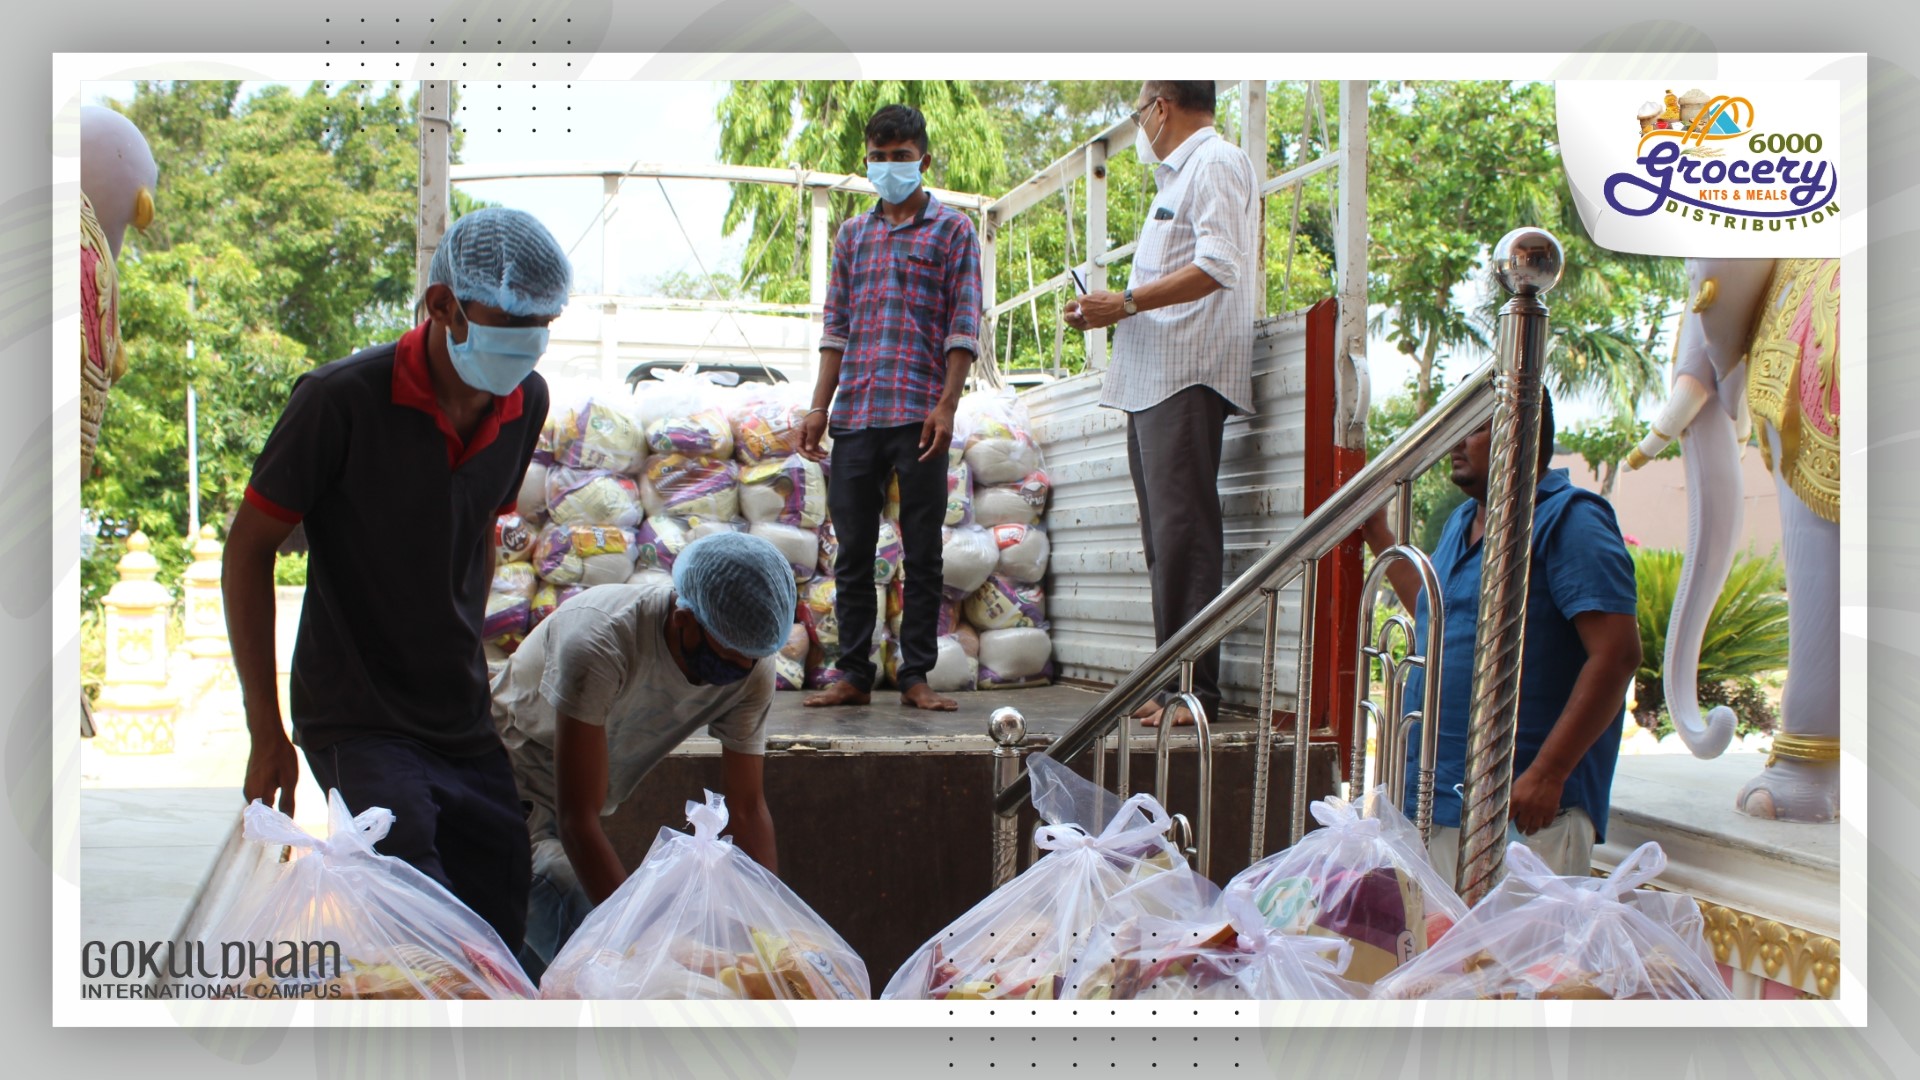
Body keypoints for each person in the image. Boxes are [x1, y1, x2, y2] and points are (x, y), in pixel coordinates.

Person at [223, 207, 571, 952]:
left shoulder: (526, 402)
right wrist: (265, 730)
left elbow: (480, 528)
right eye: (512, 322)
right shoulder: (338, 400)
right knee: (415, 915)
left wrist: (466, 647)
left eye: (543, 324)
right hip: (357, 712)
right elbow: (246, 550)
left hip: (458, 712)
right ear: (442, 306)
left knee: (500, 904)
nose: (529, 341)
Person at [1361, 390, 1642, 879]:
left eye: (1475, 427)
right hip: (1438, 799)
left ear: (1523, 431)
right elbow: (1436, 613)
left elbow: (1617, 654)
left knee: (1508, 937)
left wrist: (1549, 773)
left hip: (1524, 813)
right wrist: (1379, 537)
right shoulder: (1462, 522)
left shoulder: (1570, 519)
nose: (1457, 441)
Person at [491, 532, 795, 974]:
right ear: (683, 618)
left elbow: (747, 809)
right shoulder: (600, 641)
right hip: (508, 795)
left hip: (579, 805)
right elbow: (578, 820)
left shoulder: (750, 665)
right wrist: (639, 945)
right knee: (610, 956)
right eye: (726, 655)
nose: (738, 670)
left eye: (749, 660)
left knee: (562, 969)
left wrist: (771, 935)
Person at [1064, 81, 1259, 729]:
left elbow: (1219, 264)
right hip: (1153, 378)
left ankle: (1194, 691)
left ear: (1161, 107)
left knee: (1185, 537)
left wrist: (1123, 302)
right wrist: (1108, 308)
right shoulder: (1175, 178)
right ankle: (1172, 679)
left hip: (1186, 373)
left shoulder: (1216, 161)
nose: (1139, 123)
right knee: (1165, 543)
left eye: (1139, 110)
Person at [799, 103, 982, 713]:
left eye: (900, 157)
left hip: (921, 413)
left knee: (922, 550)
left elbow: (963, 325)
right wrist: (818, 408)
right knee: (852, 552)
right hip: (857, 414)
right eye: (878, 158)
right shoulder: (853, 235)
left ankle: (915, 675)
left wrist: (947, 405)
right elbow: (836, 328)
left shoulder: (952, 230)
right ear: (868, 161)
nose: (889, 167)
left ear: (923, 161)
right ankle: (853, 673)